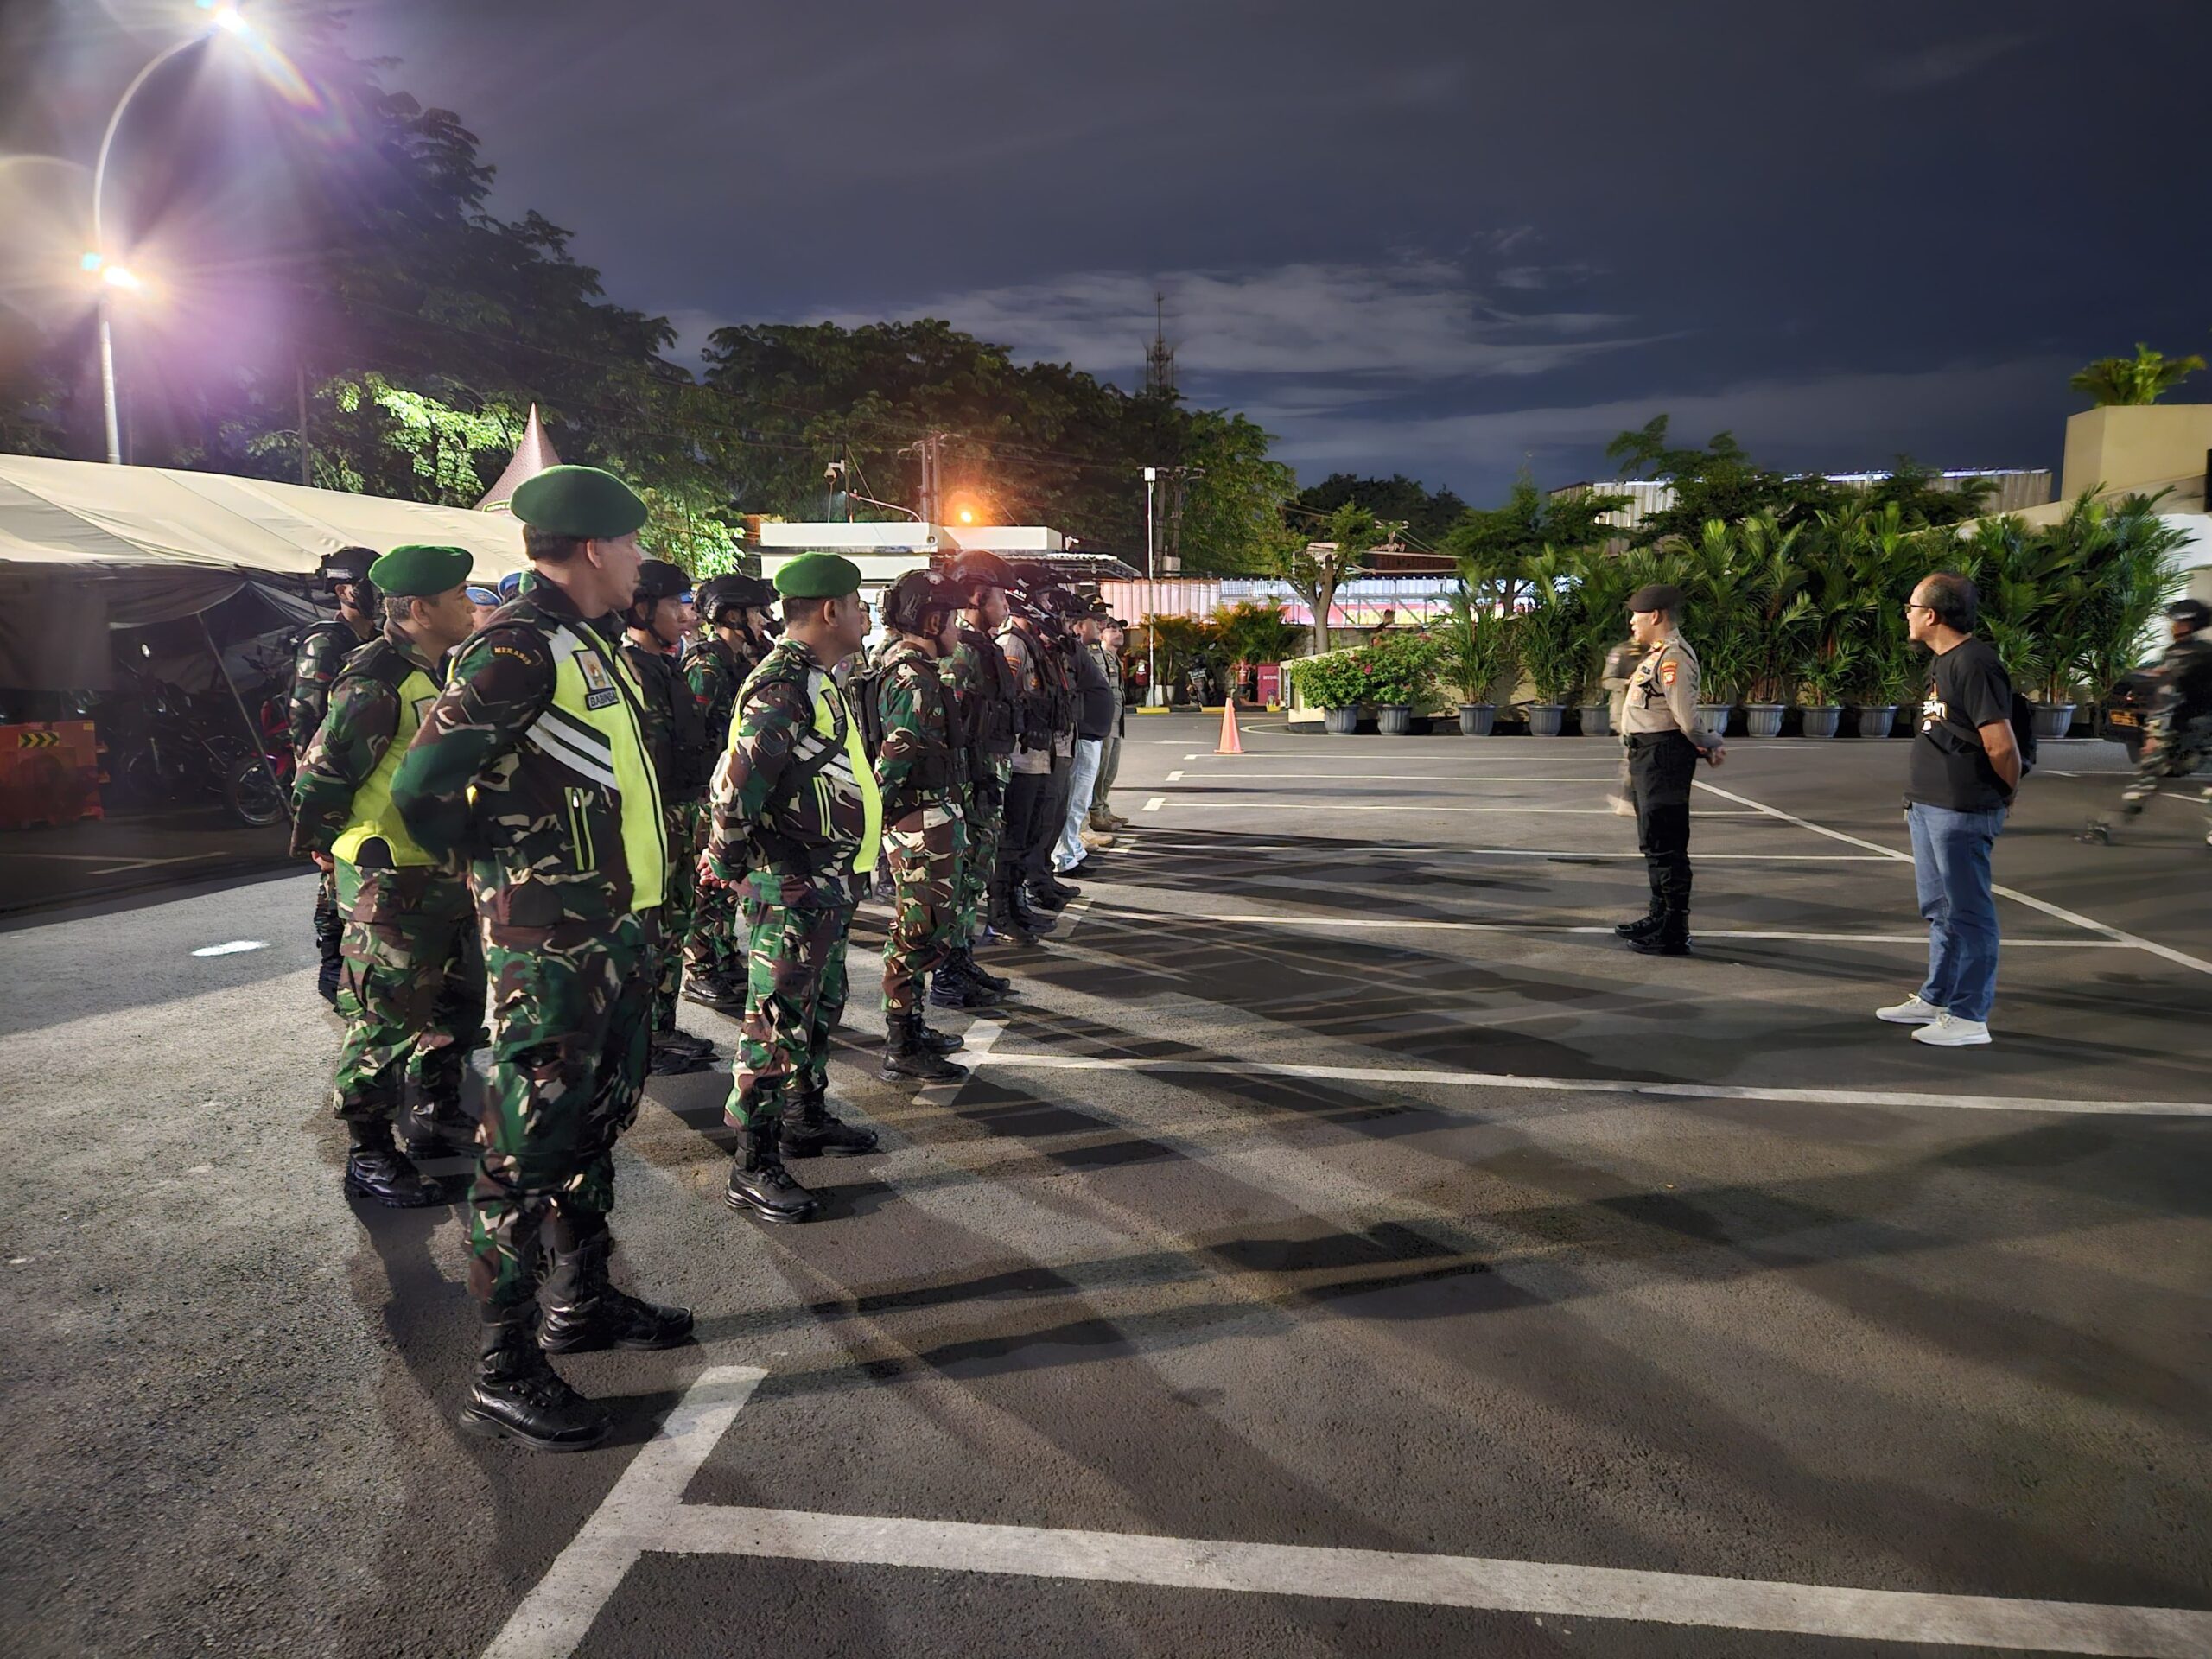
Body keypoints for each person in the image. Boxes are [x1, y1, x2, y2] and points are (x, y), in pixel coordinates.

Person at [391, 464, 692, 1455]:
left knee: (590, 1129)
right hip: (553, 946)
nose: (642, 562)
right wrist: (500, 874)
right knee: (525, 1148)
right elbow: (424, 785)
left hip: (614, 934)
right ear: (596, 548)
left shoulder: (587, 642)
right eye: (634, 544)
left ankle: (582, 1299)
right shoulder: (518, 646)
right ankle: (503, 1364)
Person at [291, 545, 483, 1208]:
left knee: (456, 1001)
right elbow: (321, 773)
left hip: (442, 867)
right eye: (459, 596)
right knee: (385, 1017)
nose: (471, 606)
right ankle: (369, 1152)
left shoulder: (438, 668)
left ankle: (436, 1111)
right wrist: (324, 849)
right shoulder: (376, 677)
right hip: (390, 874)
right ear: (421, 609)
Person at [708, 552, 884, 1226]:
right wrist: (724, 859)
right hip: (792, 882)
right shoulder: (782, 684)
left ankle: (805, 1118)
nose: (866, 615)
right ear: (831, 610)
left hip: (825, 879)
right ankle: (753, 1163)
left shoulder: (818, 678)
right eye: (859, 605)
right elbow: (737, 784)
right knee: (775, 1021)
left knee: (818, 1006)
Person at [1878, 572, 2019, 1047]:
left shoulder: (1975, 663)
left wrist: (2004, 792)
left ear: (1933, 615)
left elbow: (2001, 744)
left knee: (1969, 913)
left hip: (1960, 809)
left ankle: (1969, 1015)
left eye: (1911, 607)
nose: (1907, 615)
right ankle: (1937, 997)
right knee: (1940, 910)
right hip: (1929, 804)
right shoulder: (1943, 661)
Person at [873, 570, 981, 1079]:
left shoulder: (917, 671)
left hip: (932, 816)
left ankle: (911, 1025)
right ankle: (901, 1042)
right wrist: (875, 827)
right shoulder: (912, 678)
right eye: (952, 620)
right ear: (932, 622)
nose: (957, 630)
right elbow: (893, 760)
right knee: (917, 932)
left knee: (930, 928)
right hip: (920, 822)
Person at [619, 560, 715, 1077]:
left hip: (679, 813)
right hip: (652, 819)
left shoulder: (665, 666)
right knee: (652, 930)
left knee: (675, 926)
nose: (686, 614)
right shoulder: (628, 670)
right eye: (676, 603)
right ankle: (645, 1038)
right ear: (641, 609)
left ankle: (662, 1025)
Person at [679, 573, 778, 1012]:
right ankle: (701, 969)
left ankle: (720, 955)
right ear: (733, 616)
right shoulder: (707, 667)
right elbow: (693, 736)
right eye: (756, 612)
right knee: (709, 883)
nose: (763, 620)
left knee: (726, 880)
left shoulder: (739, 660)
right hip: (707, 790)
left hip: (724, 785)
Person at [1614, 584, 1726, 956]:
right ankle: (1659, 915)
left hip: (1662, 757)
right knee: (1654, 841)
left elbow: (1687, 719)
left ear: (1656, 616)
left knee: (1666, 843)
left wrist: (1710, 741)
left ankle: (1675, 928)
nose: (1632, 623)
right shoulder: (1659, 654)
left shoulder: (1674, 656)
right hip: (1648, 756)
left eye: (1637, 616)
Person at [291, 546, 380, 1003]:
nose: (379, 594)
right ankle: (331, 967)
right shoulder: (325, 643)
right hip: (332, 773)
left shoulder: (378, 639)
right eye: (371, 585)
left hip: (366, 774)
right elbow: (305, 721)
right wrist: (312, 802)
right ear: (345, 590)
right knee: (332, 874)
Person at [939, 550, 1033, 975]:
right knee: (963, 877)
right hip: (972, 781)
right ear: (978, 597)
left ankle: (962, 960)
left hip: (988, 776)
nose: (1007, 607)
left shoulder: (981, 647)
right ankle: (951, 970)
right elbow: (951, 723)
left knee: (976, 873)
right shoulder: (962, 653)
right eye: (1000, 598)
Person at [2080, 597, 2212, 847]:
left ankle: (2106, 827)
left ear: (2188, 624)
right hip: (2205, 731)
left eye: (2177, 622)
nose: (2172, 626)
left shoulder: (2180, 654)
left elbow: (2168, 696)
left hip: (2178, 731)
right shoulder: (2205, 653)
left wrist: (2154, 735)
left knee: (2146, 781)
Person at [994, 582, 1063, 941]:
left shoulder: (1033, 643)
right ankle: (1002, 911)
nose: (1048, 607)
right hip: (1020, 759)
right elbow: (1009, 696)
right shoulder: (1013, 643)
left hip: (1036, 755)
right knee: (1012, 838)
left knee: (1029, 834)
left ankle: (1016, 904)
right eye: (1044, 600)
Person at [1053, 601, 1117, 877]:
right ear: (1078, 626)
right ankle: (1064, 856)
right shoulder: (1068, 652)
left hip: (1090, 735)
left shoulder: (1078, 651)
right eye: (1095, 621)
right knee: (1075, 799)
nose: (1101, 625)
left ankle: (1073, 849)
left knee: (1080, 798)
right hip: (1082, 735)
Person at [1088, 620, 1130, 833]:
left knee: (1110, 771)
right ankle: (1095, 813)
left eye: (1120, 630)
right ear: (1102, 634)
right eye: (1112, 629)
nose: (1118, 633)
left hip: (1115, 722)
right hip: (1103, 722)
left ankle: (1103, 808)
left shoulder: (1114, 659)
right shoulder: (1096, 656)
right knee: (1100, 771)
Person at [1600, 636, 1648, 817]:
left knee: (1637, 755)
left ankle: (1631, 798)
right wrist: (1627, 683)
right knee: (1632, 753)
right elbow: (1607, 680)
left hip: (1644, 711)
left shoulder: (1652, 651)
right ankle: (1627, 799)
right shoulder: (1621, 651)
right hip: (1623, 710)